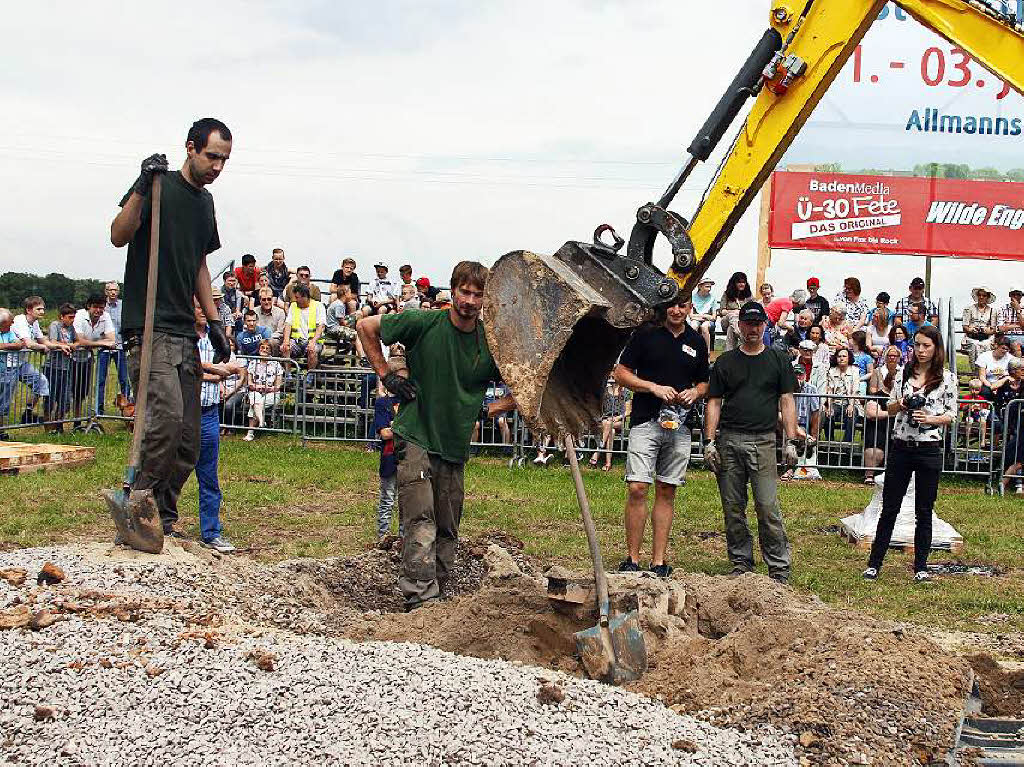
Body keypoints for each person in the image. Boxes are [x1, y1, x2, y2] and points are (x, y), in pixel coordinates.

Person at [356, 261, 513, 611]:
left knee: (447, 526)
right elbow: (366, 326)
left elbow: (526, 385)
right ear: (453, 291)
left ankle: (438, 598)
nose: (470, 300)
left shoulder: (492, 342)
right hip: (416, 434)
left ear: (486, 299)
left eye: (478, 294)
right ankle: (420, 598)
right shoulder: (425, 322)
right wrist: (386, 375)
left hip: (454, 444)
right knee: (420, 518)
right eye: (465, 291)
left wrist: (491, 408)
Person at [109, 117, 232, 537]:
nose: (218, 166)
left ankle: (162, 519)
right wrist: (142, 185)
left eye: (225, 160)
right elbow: (118, 235)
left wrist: (214, 320)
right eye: (212, 156)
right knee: (164, 421)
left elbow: (200, 263)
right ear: (191, 147)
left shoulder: (205, 204)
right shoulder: (158, 186)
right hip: (148, 324)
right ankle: (135, 507)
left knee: (188, 438)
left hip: (184, 330)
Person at [612, 293, 710, 576]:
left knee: (667, 490)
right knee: (637, 487)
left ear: (690, 307)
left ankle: (658, 561)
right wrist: (652, 387)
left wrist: (695, 391)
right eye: (672, 304)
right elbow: (621, 373)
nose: (677, 310)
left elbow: (704, 381)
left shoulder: (695, 341)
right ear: (664, 306)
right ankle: (632, 559)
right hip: (646, 419)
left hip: (680, 425)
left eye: (682, 305)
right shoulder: (646, 334)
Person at [703, 301, 799, 583]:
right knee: (733, 506)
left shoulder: (778, 360)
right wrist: (709, 441)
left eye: (758, 324)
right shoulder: (725, 362)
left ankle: (779, 567)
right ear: (740, 326)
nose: (753, 329)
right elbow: (714, 402)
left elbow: (787, 400)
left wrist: (790, 440)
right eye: (748, 324)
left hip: (764, 440)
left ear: (765, 326)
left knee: (767, 506)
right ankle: (741, 563)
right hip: (729, 440)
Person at [863, 325, 957, 583]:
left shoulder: (947, 378)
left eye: (927, 345)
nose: (921, 350)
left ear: (936, 348)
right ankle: (874, 563)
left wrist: (931, 418)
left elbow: (952, 414)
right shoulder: (905, 372)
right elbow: (890, 406)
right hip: (902, 446)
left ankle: (921, 566)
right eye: (917, 345)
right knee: (889, 507)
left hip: (928, 448)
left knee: (923, 510)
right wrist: (902, 404)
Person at [194, 304, 240, 553]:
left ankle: (211, 532)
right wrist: (213, 372)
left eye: (206, 307)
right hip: (185, 412)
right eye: (198, 307)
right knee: (171, 472)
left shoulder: (217, 339)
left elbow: (233, 369)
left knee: (209, 475)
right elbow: (185, 369)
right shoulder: (184, 340)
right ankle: (163, 523)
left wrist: (205, 372)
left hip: (209, 412)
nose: (203, 311)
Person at [11, 296, 57, 423]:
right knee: (7, 394)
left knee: (41, 381)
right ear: (28, 310)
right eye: (39, 309)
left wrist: (60, 346)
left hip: (20, 363)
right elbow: (29, 344)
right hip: (8, 363)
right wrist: (43, 347)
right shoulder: (20, 321)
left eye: (43, 308)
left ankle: (27, 413)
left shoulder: (35, 322)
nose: (42, 311)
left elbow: (43, 340)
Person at [72, 294, 116, 419]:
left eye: (101, 307)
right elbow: (80, 340)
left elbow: (112, 339)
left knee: (82, 391)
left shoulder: (105, 316)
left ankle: (78, 419)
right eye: (95, 307)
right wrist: (101, 342)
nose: (98, 310)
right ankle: (60, 421)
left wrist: (90, 344)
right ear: (88, 307)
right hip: (71, 358)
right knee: (71, 390)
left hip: (87, 358)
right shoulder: (79, 315)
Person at [863, 346, 901, 484]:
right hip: (879, 427)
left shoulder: (901, 398)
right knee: (875, 448)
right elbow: (871, 413)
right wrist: (892, 413)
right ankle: (869, 475)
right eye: (893, 381)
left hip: (898, 428)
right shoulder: (878, 396)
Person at [374, 363, 402, 540]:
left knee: (406, 501)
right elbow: (384, 433)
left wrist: (394, 427)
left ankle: (403, 538)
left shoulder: (411, 402)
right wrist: (402, 428)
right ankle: (382, 536)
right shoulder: (382, 403)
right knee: (387, 499)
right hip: (389, 457)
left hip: (409, 457)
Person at [781, 361, 820, 481]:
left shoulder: (811, 389)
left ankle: (790, 469)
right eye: (795, 374)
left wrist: (814, 435)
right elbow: (778, 411)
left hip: (802, 424)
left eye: (800, 374)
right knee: (789, 431)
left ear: (805, 375)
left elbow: (816, 412)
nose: (798, 377)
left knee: (793, 435)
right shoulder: (783, 388)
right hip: (782, 422)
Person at [990, 359, 1024, 493]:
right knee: (1017, 457)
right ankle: (1006, 484)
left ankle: (1005, 484)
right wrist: (1005, 379)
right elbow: (993, 387)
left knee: (1017, 458)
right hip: (1014, 422)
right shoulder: (1007, 382)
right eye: (1021, 369)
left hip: (1018, 424)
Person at [97, 281, 131, 413]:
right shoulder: (101, 307)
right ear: (106, 292)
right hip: (103, 348)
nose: (112, 292)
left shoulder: (123, 306)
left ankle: (127, 407)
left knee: (123, 378)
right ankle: (99, 409)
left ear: (118, 291)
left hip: (120, 347)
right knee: (101, 379)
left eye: (115, 290)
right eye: (110, 290)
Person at [43, 304, 78, 428]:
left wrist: (73, 345)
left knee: (65, 399)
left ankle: (59, 425)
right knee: (50, 397)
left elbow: (77, 341)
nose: (72, 320)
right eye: (70, 317)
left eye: (74, 317)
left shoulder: (72, 328)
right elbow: (52, 342)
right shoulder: (55, 325)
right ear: (62, 317)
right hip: (52, 367)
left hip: (66, 367)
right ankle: (48, 424)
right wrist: (64, 345)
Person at [244, 339, 283, 441]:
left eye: (267, 348)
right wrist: (257, 387)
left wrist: (268, 388)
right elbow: (250, 382)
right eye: (262, 347)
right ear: (259, 349)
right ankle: (261, 423)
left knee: (257, 404)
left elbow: (278, 386)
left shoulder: (276, 364)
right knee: (256, 399)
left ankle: (250, 433)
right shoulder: (253, 362)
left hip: (272, 393)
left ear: (271, 351)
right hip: (255, 391)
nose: (264, 350)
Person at [282, 284, 326, 370]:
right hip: (297, 341)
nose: (295, 299)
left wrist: (313, 341)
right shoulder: (293, 306)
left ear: (305, 297)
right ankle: (288, 375)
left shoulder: (318, 306)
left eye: (297, 297)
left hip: (313, 341)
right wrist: (286, 340)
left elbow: (321, 327)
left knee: (312, 350)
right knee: (284, 348)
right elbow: (288, 324)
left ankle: (310, 376)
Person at [589, 380, 629, 471]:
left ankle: (597, 451)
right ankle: (608, 463)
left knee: (609, 423)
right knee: (611, 431)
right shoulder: (605, 391)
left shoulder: (626, 393)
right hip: (605, 419)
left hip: (618, 421)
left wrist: (618, 417)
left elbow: (628, 411)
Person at [823, 348, 860, 444]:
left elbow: (855, 390)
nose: (841, 358)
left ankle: (846, 444)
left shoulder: (855, 371)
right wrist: (829, 406)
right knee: (827, 415)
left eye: (844, 356)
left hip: (850, 401)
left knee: (852, 415)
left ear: (849, 358)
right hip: (836, 402)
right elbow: (830, 390)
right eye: (839, 356)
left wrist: (851, 405)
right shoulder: (831, 371)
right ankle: (830, 442)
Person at [0, 309, 26, 438]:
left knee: (3, 401)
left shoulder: (9, 333)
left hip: (6, 372)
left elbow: (19, 344)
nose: (12, 323)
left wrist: (3, 346)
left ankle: (0, 431)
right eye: (10, 322)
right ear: (2, 323)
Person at [962, 286, 998, 366]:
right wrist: (971, 329)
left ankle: (986, 370)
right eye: (979, 295)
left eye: (984, 296)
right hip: (971, 337)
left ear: (988, 297)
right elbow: (965, 327)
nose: (981, 297)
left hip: (987, 337)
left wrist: (987, 330)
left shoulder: (993, 311)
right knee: (975, 345)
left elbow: (994, 329)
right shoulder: (969, 309)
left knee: (986, 345)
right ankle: (976, 372)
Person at [718, 272, 752, 352]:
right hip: (726, 321)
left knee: (731, 330)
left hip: (741, 323)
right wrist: (735, 311)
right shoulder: (727, 294)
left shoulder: (748, 296)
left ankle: (728, 355)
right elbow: (722, 311)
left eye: (743, 282)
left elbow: (752, 309)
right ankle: (743, 338)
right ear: (734, 283)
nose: (742, 284)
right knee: (733, 316)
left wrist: (740, 313)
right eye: (739, 282)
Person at [254, 288, 286, 354]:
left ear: (272, 299)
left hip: (274, 339)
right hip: (258, 338)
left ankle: (274, 362)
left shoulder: (280, 312)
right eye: (264, 299)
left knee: (272, 342)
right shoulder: (254, 311)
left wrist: (267, 338)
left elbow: (280, 332)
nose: (266, 302)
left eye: (269, 299)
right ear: (260, 300)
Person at [690, 278, 717, 349]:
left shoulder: (713, 298)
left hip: (708, 322)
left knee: (704, 327)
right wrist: (705, 316)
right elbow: (691, 316)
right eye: (707, 286)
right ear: (700, 287)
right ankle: (693, 350)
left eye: (710, 287)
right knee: (693, 326)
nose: (709, 289)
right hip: (697, 319)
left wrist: (703, 317)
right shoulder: (692, 298)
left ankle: (707, 351)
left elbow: (714, 317)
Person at [997, 288, 1024, 357]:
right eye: (1013, 294)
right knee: (1016, 346)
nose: (1015, 296)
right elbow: (1001, 328)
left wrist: (1018, 310)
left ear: (1021, 296)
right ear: (1010, 295)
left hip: (1022, 336)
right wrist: (1019, 325)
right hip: (1007, 336)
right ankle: (1018, 367)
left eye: (1018, 294)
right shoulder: (1002, 309)